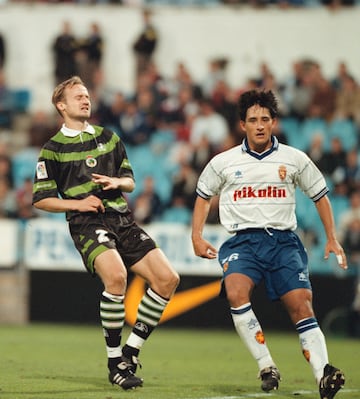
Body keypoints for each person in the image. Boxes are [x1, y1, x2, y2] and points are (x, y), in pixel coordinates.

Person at [191, 89, 347, 399]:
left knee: (301, 304)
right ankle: (266, 365)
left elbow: (320, 196)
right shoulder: (223, 162)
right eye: (253, 120)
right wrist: (196, 236)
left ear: (273, 122)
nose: (260, 125)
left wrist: (331, 237)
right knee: (235, 292)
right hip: (243, 242)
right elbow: (203, 196)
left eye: (265, 119)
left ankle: (323, 374)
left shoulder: (294, 159)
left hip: (284, 243)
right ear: (242, 125)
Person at [32, 76, 179, 391]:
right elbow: (42, 199)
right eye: (78, 97)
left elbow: (130, 181)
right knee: (116, 277)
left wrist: (117, 183)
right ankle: (115, 363)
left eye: (86, 95)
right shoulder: (52, 149)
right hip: (87, 222)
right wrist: (79, 203)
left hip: (122, 218)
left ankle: (131, 350)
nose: (85, 100)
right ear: (61, 105)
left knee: (168, 280)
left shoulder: (109, 138)